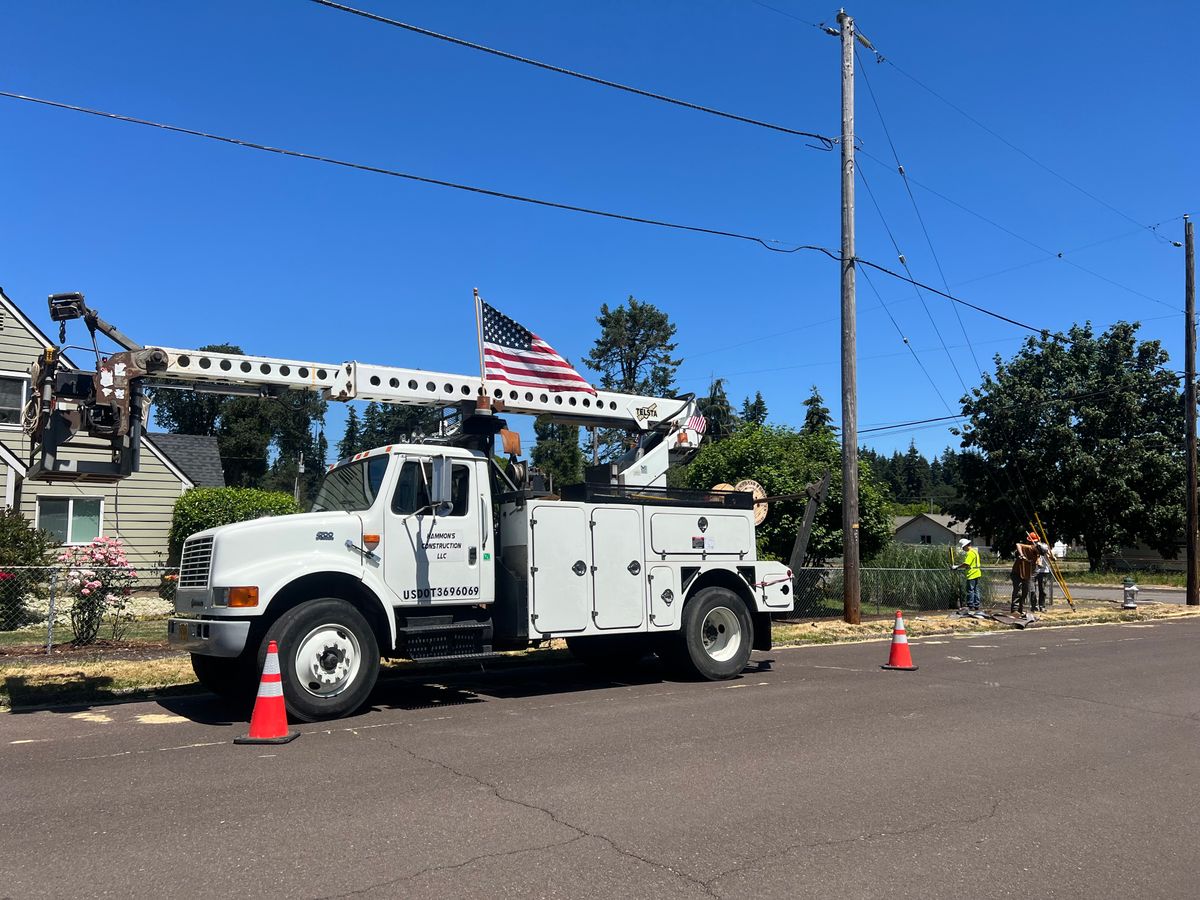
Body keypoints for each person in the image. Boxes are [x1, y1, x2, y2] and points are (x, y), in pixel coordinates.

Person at [1011, 533, 1041, 616]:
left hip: (1027, 575)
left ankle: (1020, 609)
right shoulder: (1027, 547)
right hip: (1017, 573)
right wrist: (1021, 555)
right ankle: (1014, 609)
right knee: (1018, 591)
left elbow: (1038, 559)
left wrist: (1039, 563)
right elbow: (1018, 544)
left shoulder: (1037, 552)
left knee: (1025, 592)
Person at [952, 537, 983, 612]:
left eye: (963, 548)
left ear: (966, 546)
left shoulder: (970, 553)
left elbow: (966, 564)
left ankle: (970, 605)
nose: (963, 549)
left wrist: (957, 567)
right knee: (976, 590)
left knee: (970, 590)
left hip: (971, 574)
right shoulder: (975, 551)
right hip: (977, 573)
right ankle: (976, 605)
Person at [1032, 533, 1052, 612]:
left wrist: (1051, 556)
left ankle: (1042, 606)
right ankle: (1034, 606)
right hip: (1033, 571)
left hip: (1043, 571)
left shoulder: (1045, 546)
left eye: (1036, 541)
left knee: (1042, 590)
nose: (1035, 542)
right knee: (1032, 590)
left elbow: (1050, 556)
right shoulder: (1032, 548)